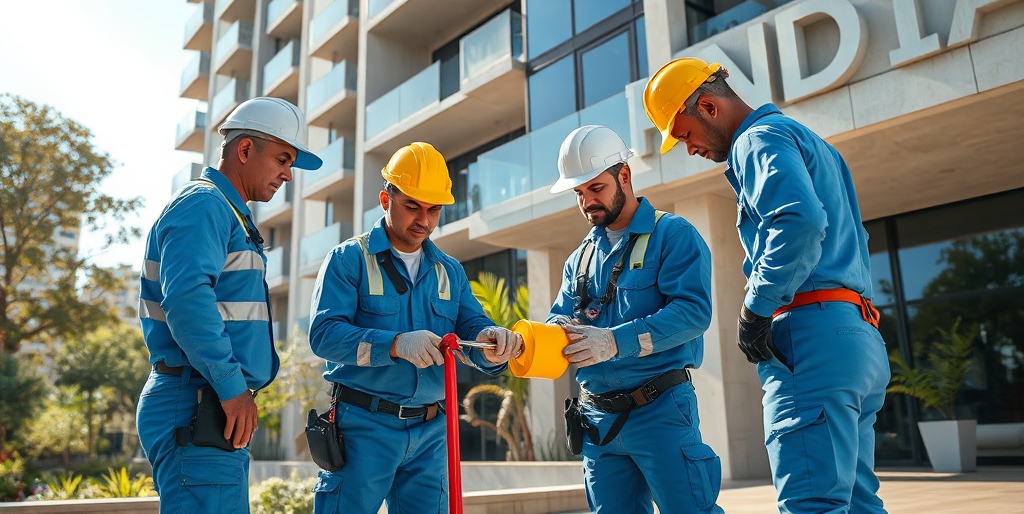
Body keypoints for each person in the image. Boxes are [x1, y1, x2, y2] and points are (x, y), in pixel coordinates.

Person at [644, 57, 890, 514]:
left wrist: (755, 309)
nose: (688, 148)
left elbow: (798, 220)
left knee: (811, 504)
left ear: (709, 108)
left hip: (810, 339)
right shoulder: (808, 140)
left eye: (684, 134)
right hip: (857, 336)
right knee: (857, 503)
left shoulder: (756, 140)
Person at [307, 141, 523, 514]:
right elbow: (324, 335)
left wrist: (492, 343)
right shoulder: (348, 260)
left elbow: (472, 328)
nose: (424, 219)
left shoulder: (450, 271)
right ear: (385, 200)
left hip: (431, 433)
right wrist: (395, 344)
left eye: (434, 209)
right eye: (413, 206)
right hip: (363, 428)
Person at [137, 97, 323, 513]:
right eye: (282, 159)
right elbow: (187, 300)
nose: (287, 175)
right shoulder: (205, 205)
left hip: (207, 401)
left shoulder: (225, 212)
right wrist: (231, 386)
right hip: (198, 398)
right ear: (244, 150)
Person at [546, 125, 723, 514]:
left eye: (595, 189)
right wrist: (536, 338)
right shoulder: (579, 258)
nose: (587, 202)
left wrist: (613, 341)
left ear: (623, 176)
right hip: (597, 423)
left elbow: (693, 312)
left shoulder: (671, 235)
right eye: (579, 194)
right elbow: (559, 319)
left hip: (659, 410)